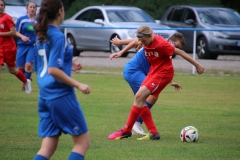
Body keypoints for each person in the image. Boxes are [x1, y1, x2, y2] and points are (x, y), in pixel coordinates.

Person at [108, 26, 204, 140]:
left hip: (162, 74)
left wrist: (197, 65)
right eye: (141, 41)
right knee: (142, 98)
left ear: (150, 36)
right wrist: (121, 48)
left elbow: (180, 52)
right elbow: (135, 42)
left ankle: (127, 130)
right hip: (153, 72)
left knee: (140, 96)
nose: (142, 43)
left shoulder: (161, 44)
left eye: (144, 41)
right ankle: (152, 132)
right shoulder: (146, 40)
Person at [33, 0, 90, 159]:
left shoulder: (41, 35)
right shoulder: (57, 35)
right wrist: (79, 84)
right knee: (82, 143)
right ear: (60, 11)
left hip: (44, 95)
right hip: (60, 95)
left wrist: (67, 63)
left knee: (48, 147)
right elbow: (52, 69)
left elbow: (42, 67)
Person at [109, 33, 184, 136]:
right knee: (150, 96)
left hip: (138, 72)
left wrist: (171, 81)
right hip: (133, 71)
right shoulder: (158, 44)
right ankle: (137, 124)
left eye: (179, 48)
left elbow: (163, 69)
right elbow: (136, 41)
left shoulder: (164, 49)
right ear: (170, 41)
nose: (177, 49)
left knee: (149, 97)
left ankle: (135, 127)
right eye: (177, 46)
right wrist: (120, 47)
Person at [0, 0, 31, 94]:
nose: (0, 7)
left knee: (12, 70)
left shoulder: (7, 18)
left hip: (8, 47)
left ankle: (26, 81)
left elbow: (13, 32)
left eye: (1, 5)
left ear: (4, 7)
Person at [15, 1, 37, 91]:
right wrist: (22, 36)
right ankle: (28, 78)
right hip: (22, 45)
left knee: (28, 65)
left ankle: (25, 85)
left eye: (34, 7)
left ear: (36, 9)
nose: (32, 9)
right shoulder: (21, 19)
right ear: (27, 8)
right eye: (30, 7)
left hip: (32, 46)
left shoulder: (38, 20)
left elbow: (41, 32)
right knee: (19, 68)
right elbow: (15, 31)